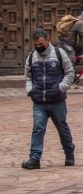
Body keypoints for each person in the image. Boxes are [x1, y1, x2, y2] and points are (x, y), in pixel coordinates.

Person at [22, 28, 75, 170]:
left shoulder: (59, 54)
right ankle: (34, 158)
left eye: (41, 44)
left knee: (62, 128)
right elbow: (28, 77)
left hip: (57, 101)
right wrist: (30, 90)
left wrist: (61, 87)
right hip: (39, 101)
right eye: (36, 45)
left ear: (47, 40)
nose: (39, 47)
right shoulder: (32, 57)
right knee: (38, 128)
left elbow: (70, 73)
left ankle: (69, 153)